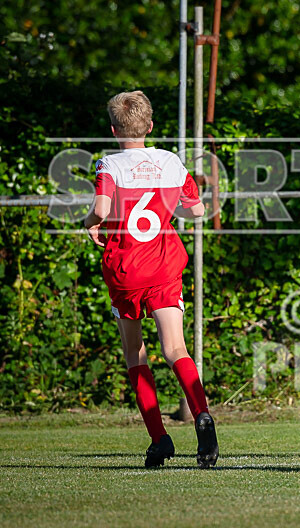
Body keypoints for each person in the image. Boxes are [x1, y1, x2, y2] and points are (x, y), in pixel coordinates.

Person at [84, 90, 218, 469]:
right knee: (175, 349)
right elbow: (197, 210)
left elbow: (101, 209)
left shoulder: (109, 164)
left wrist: (89, 224)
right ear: (150, 126)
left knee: (135, 353)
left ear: (114, 130)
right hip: (163, 265)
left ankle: (159, 439)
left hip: (126, 268)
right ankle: (202, 415)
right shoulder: (170, 161)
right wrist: (168, 209)